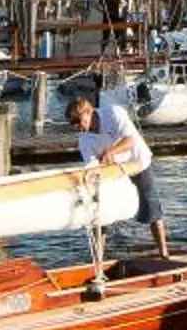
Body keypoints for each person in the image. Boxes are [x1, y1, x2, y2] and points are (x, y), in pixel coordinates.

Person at [68, 91, 173, 259]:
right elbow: (91, 164)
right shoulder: (84, 139)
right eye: (71, 123)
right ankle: (99, 261)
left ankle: (164, 253)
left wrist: (111, 151)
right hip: (113, 172)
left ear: (88, 112)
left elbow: (130, 140)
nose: (76, 126)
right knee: (101, 214)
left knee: (151, 206)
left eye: (77, 120)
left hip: (137, 162)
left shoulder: (113, 113)